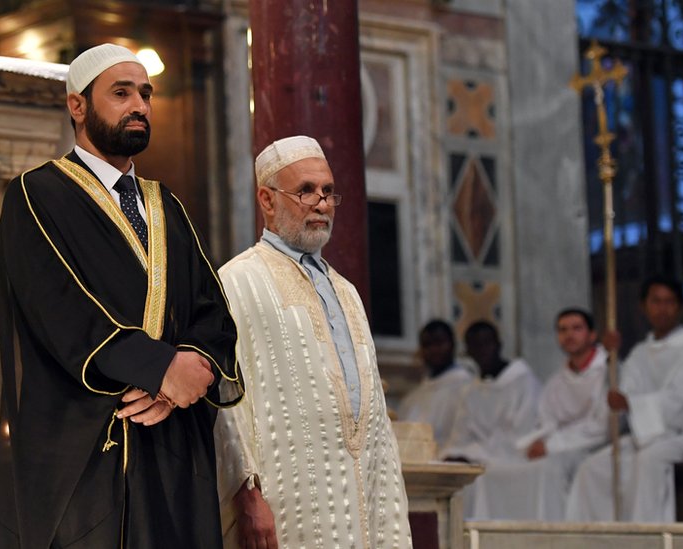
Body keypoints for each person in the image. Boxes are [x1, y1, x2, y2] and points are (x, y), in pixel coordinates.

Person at [0, 44, 244, 548]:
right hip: (85, 449)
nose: (140, 106)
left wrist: (192, 365)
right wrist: (160, 369)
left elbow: (211, 310)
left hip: (173, 446)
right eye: (121, 93)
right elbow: (60, 308)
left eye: (146, 95)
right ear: (77, 106)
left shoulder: (165, 203)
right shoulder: (36, 193)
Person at [214, 135, 411, 549]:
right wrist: (246, 496)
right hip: (286, 509)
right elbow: (224, 401)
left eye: (327, 192)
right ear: (267, 201)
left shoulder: (347, 291)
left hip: (364, 504)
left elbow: (372, 414)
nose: (322, 204)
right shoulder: (236, 281)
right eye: (305, 191)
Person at [460, 309, 609, 520]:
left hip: (595, 449)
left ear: (592, 334)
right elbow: (546, 423)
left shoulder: (608, 372)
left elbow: (601, 427)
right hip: (560, 448)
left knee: (548, 470)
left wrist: (550, 445)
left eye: (577, 328)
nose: (569, 335)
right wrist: (537, 443)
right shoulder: (556, 381)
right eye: (563, 330)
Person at [566, 275, 683, 522]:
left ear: (680, 307)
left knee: (649, 460)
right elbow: (624, 391)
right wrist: (613, 358)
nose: (662, 309)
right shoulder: (640, 353)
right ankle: (594, 540)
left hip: (680, 434)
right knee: (592, 468)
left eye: (669, 302)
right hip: (647, 434)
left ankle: (647, 538)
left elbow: (679, 400)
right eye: (656, 302)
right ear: (643, 307)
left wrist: (632, 404)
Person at [441, 320, 541, 466]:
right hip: (475, 464)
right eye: (474, 345)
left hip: (515, 466)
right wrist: (454, 453)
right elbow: (459, 436)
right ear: (467, 351)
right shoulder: (470, 391)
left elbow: (522, 437)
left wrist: (472, 455)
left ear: (499, 345)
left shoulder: (524, 382)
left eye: (486, 343)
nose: (481, 350)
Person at [398, 319, 473, 446]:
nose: (433, 350)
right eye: (427, 344)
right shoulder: (412, 399)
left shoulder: (468, 388)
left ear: (452, 344)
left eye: (439, 343)